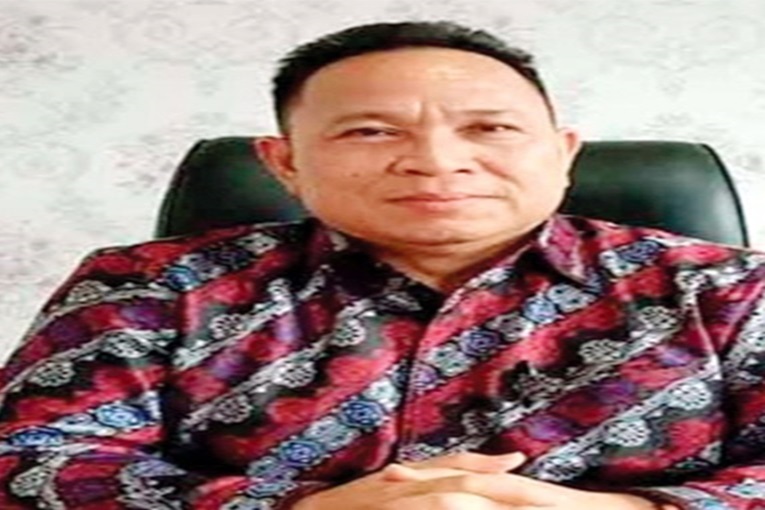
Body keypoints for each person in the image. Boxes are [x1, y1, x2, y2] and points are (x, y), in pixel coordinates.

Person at [0, 20, 763, 510]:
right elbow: (30, 464)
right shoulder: (151, 285)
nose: (436, 161)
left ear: (562, 154)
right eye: (369, 131)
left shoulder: (724, 289)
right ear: (283, 162)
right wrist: (301, 508)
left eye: (489, 128)